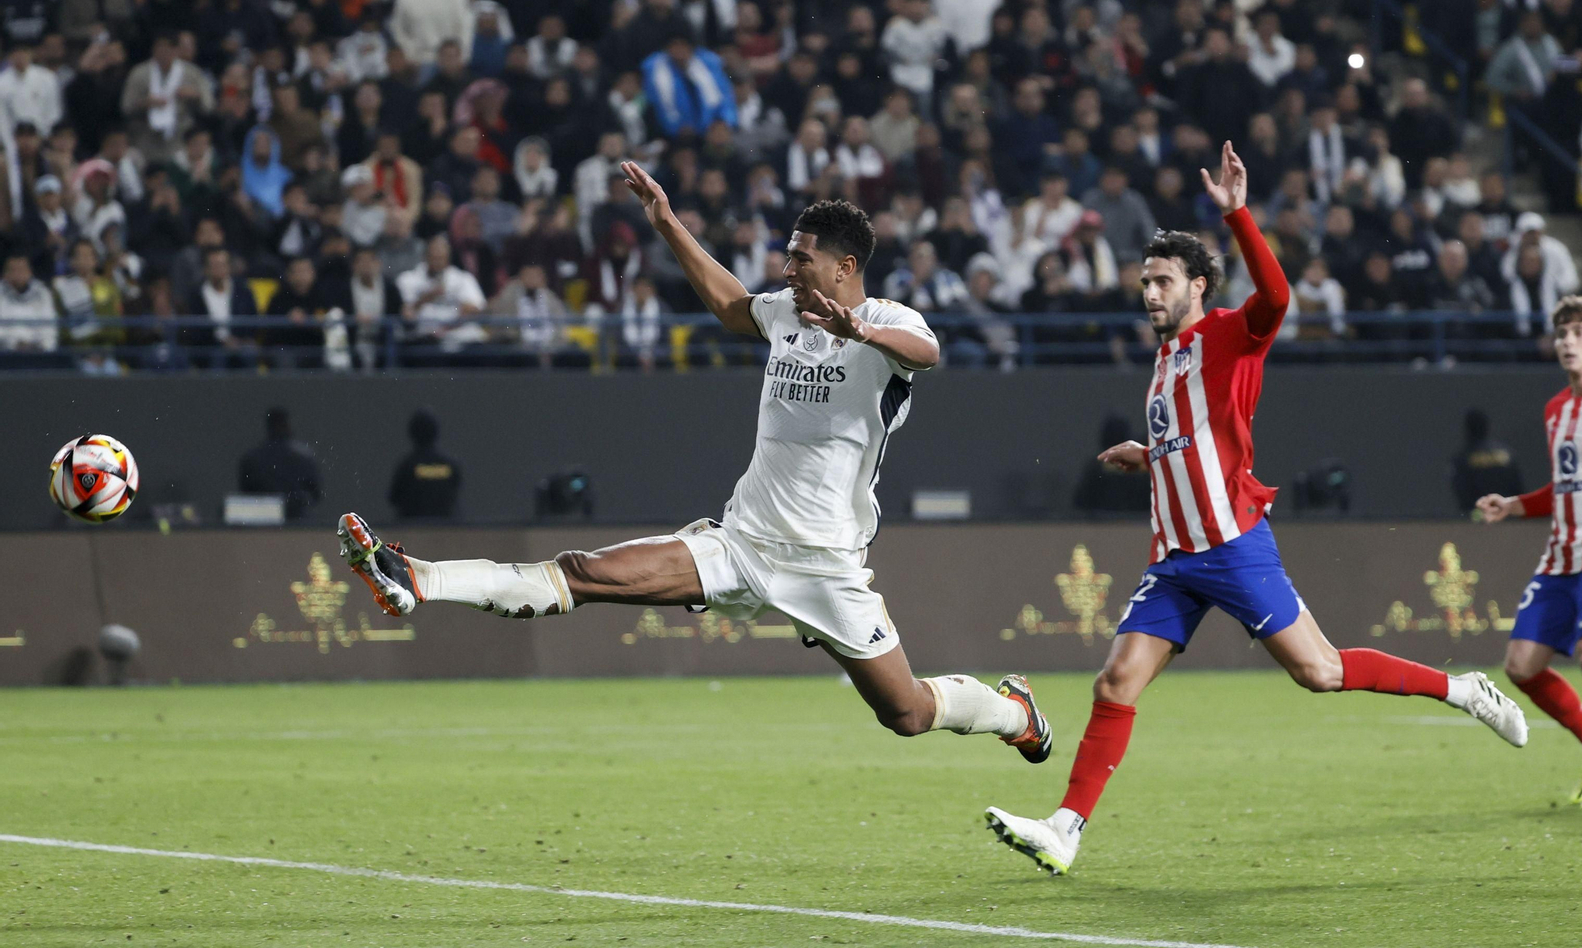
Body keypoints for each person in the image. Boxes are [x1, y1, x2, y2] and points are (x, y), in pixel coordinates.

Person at [336, 162, 1055, 762]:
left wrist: (858, 329)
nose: (787, 267)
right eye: (788, 254)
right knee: (586, 573)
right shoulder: (784, 313)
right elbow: (730, 303)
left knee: (904, 713)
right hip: (740, 545)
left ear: (845, 267)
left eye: (802, 258)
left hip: (827, 562)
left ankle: (1009, 712)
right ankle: (418, 578)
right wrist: (666, 222)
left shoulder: (892, 324)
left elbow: (929, 355)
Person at [983, 143, 1528, 875]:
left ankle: (1463, 688)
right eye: (1144, 281)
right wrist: (1146, 456)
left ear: (1199, 286)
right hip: (1176, 560)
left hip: (1232, 547)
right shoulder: (1164, 358)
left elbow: (1276, 299)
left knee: (1321, 672)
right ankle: (1066, 828)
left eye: (1163, 282)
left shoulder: (1226, 336)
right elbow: (1198, 441)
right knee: (1114, 683)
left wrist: (1239, 215)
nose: (1149, 293)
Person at [1477, 296, 1582, 808]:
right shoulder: (1556, 411)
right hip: (1561, 557)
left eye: (1579, 332)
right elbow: (1566, 486)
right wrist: (1515, 506)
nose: (1568, 342)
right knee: (1522, 666)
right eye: (1562, 334)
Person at [240, 408, 323, 520]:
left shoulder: (253, 457)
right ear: (288, 425)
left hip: (263, 521)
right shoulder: (304, 457)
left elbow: (246, 492)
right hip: (298, 522)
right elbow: (315, 493)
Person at [389, 409, 461, 520]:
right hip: (445, 528)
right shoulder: (449, 465)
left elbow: (393, 498)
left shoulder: (407, 466)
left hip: (412, 529)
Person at [1452, 409, 1522, 514]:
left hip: (1477, 518)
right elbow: (1518, 487)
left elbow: (1462, 491)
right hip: (1507, 516)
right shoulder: (1506, 454)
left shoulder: (1463, 458)